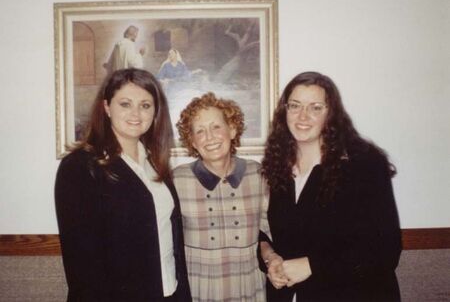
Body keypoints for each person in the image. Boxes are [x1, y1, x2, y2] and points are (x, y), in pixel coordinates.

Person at [259, 71, 402, 301]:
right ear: (284, 111)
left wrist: (313, 265)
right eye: (295, 106)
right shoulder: (278, 166)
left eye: (315, 107)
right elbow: (269, 233)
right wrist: (271, 260)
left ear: (331, 114)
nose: (303, 116)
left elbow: (385, 250)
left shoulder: (363, 163)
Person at [55, 68, 191, 301]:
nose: (136, 113)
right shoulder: (79, 166)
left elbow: (170, 239)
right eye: (125, 104)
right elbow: (82, 264)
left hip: (169, 292)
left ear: (156, 111)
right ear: (107, 107)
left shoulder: (155, 162)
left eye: (145, 105)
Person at [173, 92, 271, 301]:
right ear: (192, 141)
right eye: (200, 131)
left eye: (216, 127)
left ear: (232, 129)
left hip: (249, 290)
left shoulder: (258, 174)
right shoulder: (177, 180)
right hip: (199, 290)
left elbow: (267, 232)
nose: (209, 137)